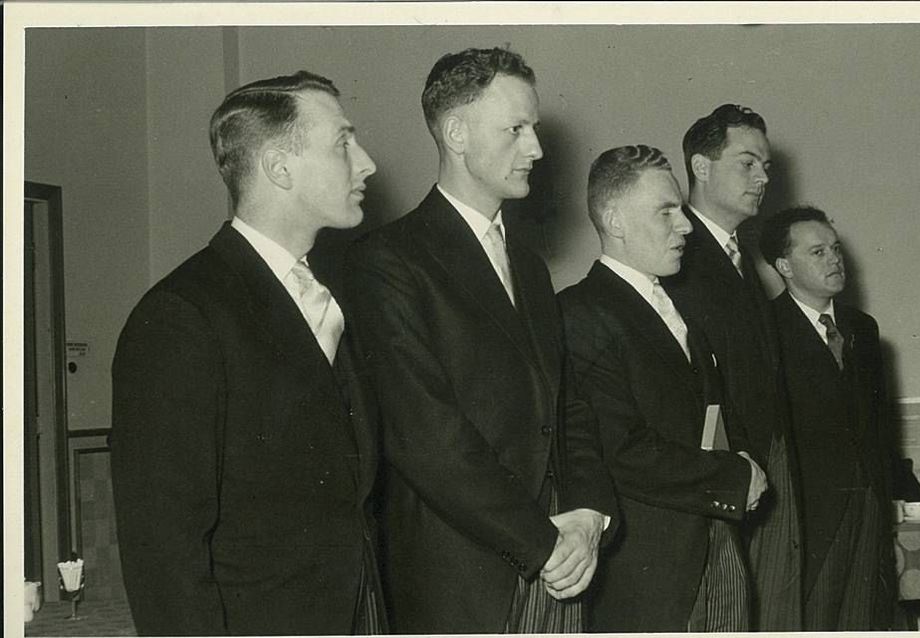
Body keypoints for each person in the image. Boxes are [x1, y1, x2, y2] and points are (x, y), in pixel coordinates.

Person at [344, 47, 616, 634]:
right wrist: (544, 542)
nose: (537, 149)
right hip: (464, 584)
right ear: (456, 133)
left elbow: (567, 406)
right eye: (516, 129)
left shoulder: (530, 267)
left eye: (535, 128)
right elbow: (428, 439)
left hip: (562, 569)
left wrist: (590, 515)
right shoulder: (388, 261)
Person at [110, 71, 384, 635]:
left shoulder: (333, 296)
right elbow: (163, 553)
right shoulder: (181, 315)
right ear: (279, 168)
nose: (367, 163)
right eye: (342, 143)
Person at [559, 145, 769, 632]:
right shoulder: (580, 313)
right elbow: (620, 451)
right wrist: (733, 477)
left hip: (718, 549)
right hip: (650, 575)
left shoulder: (681, 305)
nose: (687, 226)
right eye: (666, 211)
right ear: (615, 220)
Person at [660, 104, 803, 630]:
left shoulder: (739, 258)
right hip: (725, 474)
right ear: (700, 167)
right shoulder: (678, 255)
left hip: (759, 466)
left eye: (766, 166)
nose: (763, 177)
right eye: (747, 163)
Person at [759, 206, 896, 630]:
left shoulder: (863, 328)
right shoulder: (766, 330)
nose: (835, 260)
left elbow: (878, 421)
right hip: (807, 513)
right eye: (817, 252)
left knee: (866, 620)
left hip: (868, 505)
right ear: (784, 266)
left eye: (835, 249)